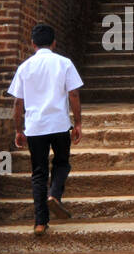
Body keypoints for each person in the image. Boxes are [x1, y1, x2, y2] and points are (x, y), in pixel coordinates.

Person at [8, 23, 83, 235]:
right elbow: (74, 95)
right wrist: (77, 122)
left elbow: (17, 103)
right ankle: (55, 195)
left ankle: (40, 222)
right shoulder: (64, 63)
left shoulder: (24, 67)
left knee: (38, 173)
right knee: (61, 163)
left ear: (32, 44)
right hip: (59, 124)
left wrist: (18, 129)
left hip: (35, 127)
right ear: (54, 43)